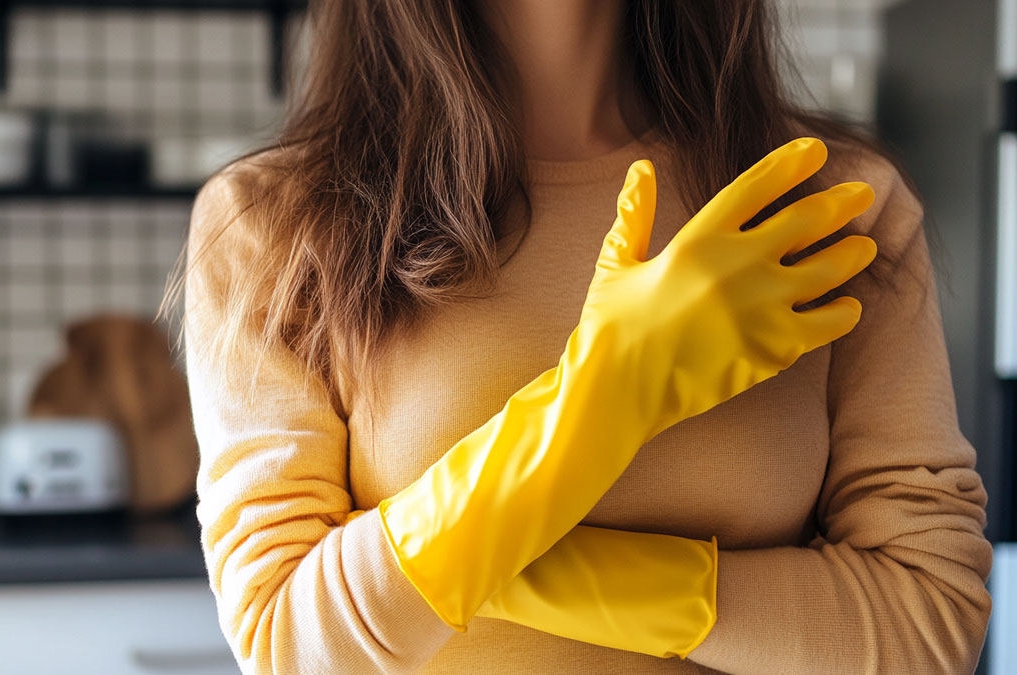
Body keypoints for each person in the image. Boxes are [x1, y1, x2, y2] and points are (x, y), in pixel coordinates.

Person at [178, 1, 992, 673]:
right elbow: (288, 642)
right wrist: (607, 394)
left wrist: (516, 570)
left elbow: (930, 622)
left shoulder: (827, 209)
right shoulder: (272, 227)